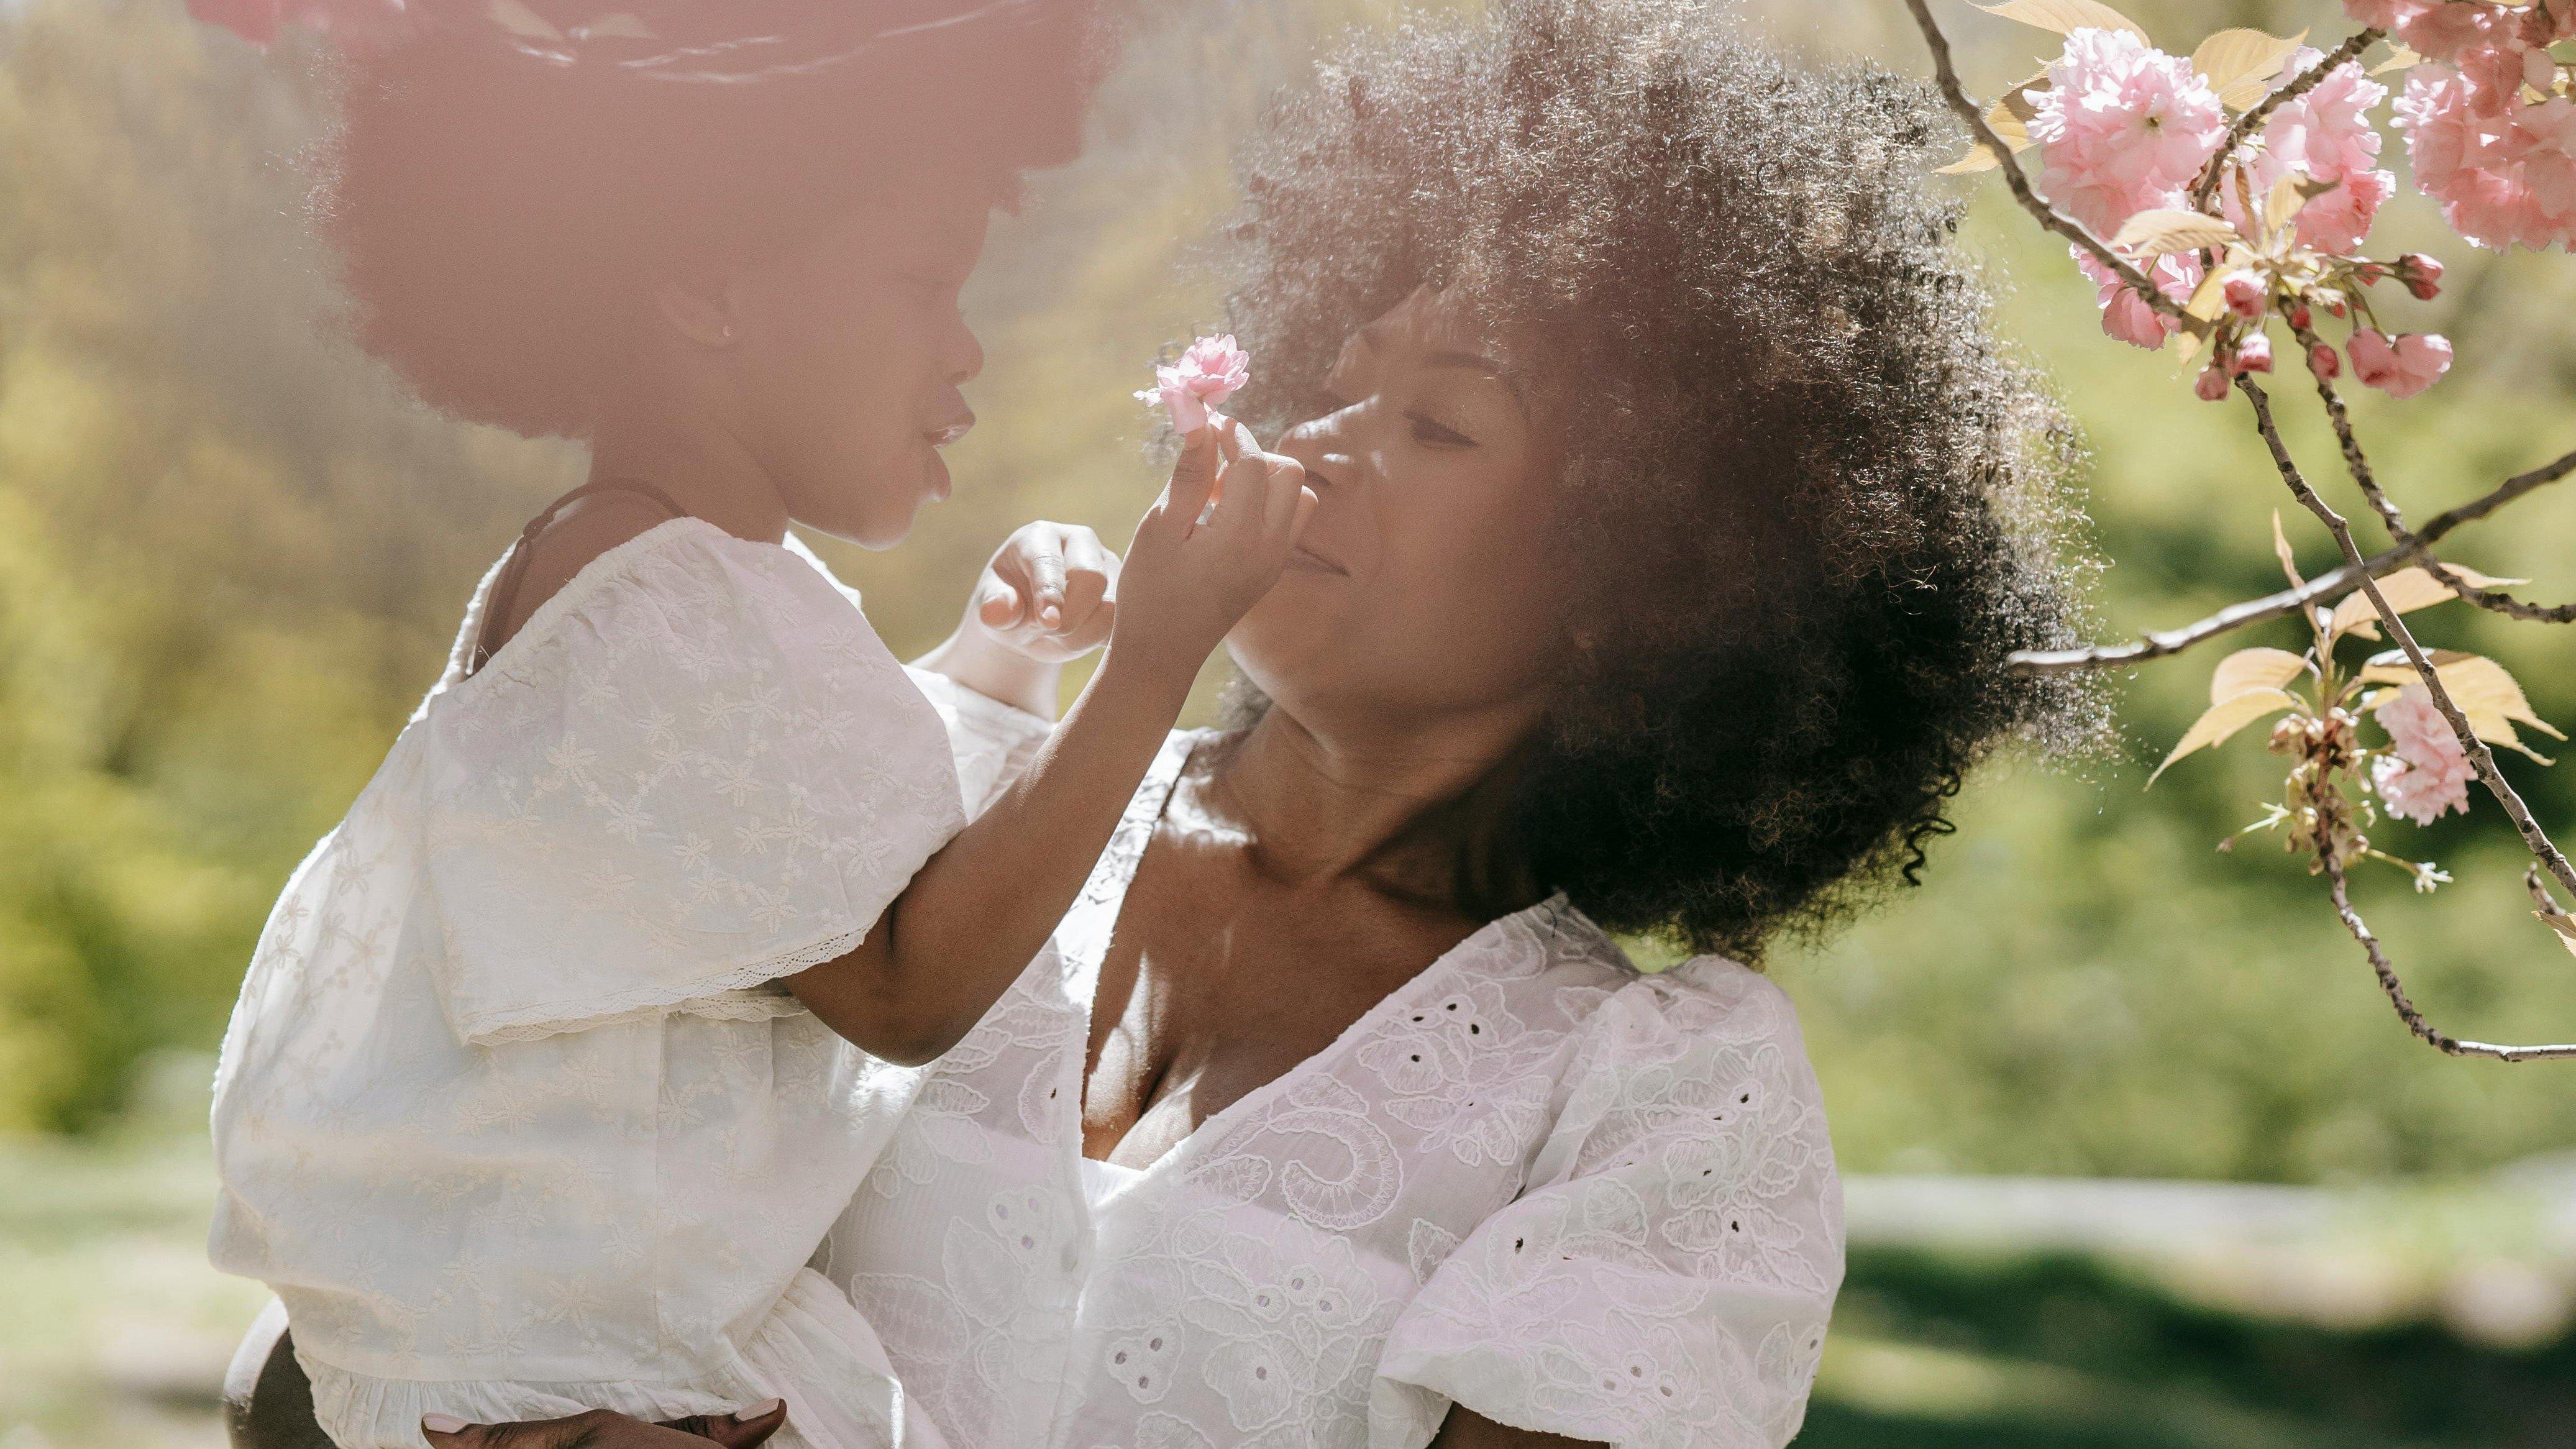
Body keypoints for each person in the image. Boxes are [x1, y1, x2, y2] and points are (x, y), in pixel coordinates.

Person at [227, 1, 2103, 1445]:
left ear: (1652, 580)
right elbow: (436, 1225)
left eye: (1439, 424)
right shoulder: (933, 797)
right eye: (1332, 379)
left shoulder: (1653, 1102)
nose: (1319, 442)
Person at [202, 3, 1313, 1447]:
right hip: (553, 1393)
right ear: (713, 288)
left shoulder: (664, 576)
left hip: (582, 1365)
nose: (964, 351)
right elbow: (906, 982)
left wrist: (993, 662)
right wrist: (1153, 660)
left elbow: (780, 843)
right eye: (925, 287)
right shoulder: (655, 591)